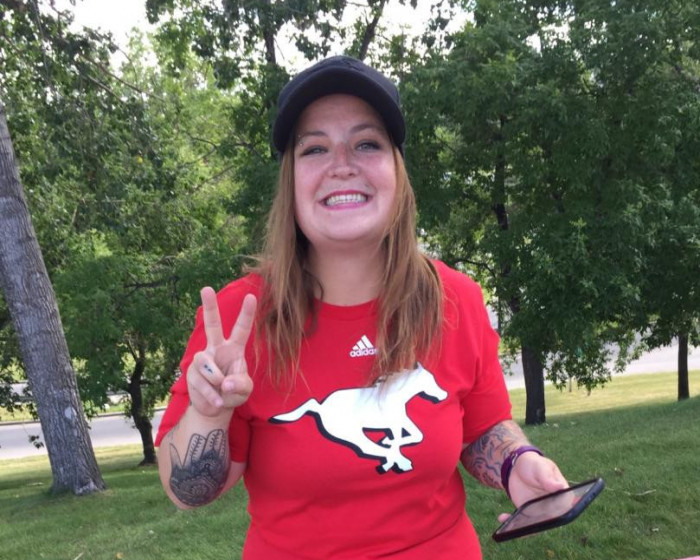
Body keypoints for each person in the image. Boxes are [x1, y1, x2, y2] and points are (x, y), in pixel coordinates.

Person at [155, 55, 568, 559]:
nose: (342, 164)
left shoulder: (454, 298)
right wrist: (210, 413)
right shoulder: (238, 317)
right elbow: (188, 492)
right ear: (291, 181)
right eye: (315, 148)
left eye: (367, 143)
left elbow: (482, 427)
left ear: (397, 171)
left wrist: (516, 463)